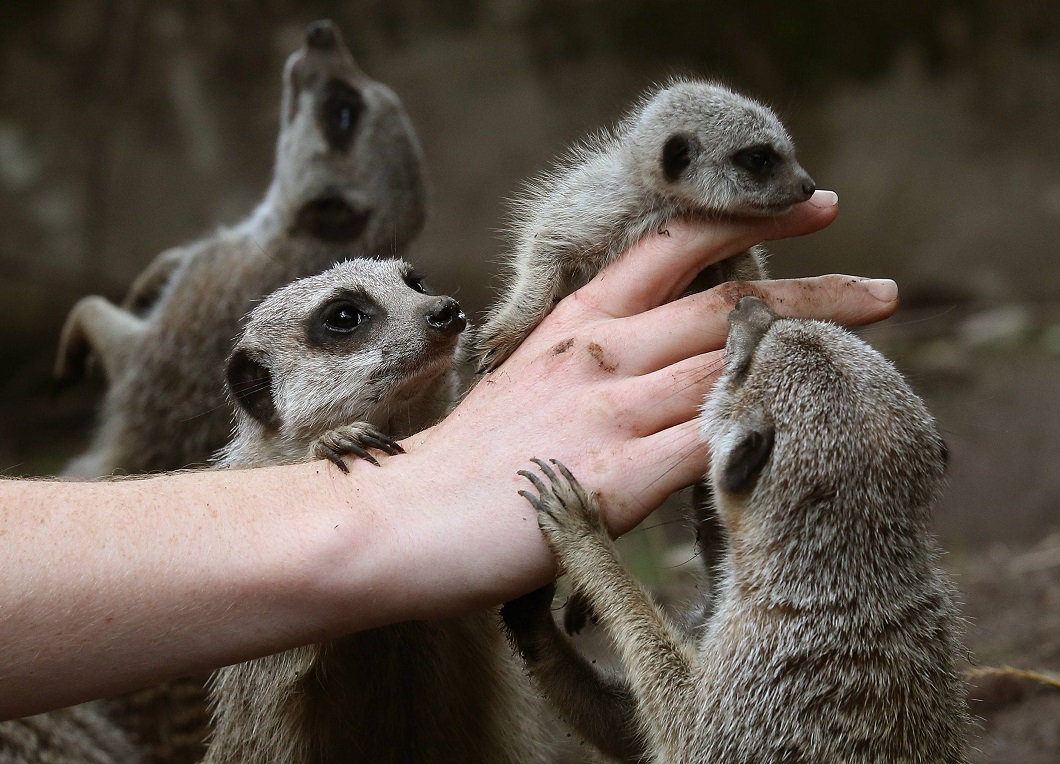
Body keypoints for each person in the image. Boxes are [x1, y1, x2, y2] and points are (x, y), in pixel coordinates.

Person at [0, 190, 897, 720]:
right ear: (263, 393)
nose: (427, 313)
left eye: (418, 287)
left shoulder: (487, 464)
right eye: (346, 324)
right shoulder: (235, 570)